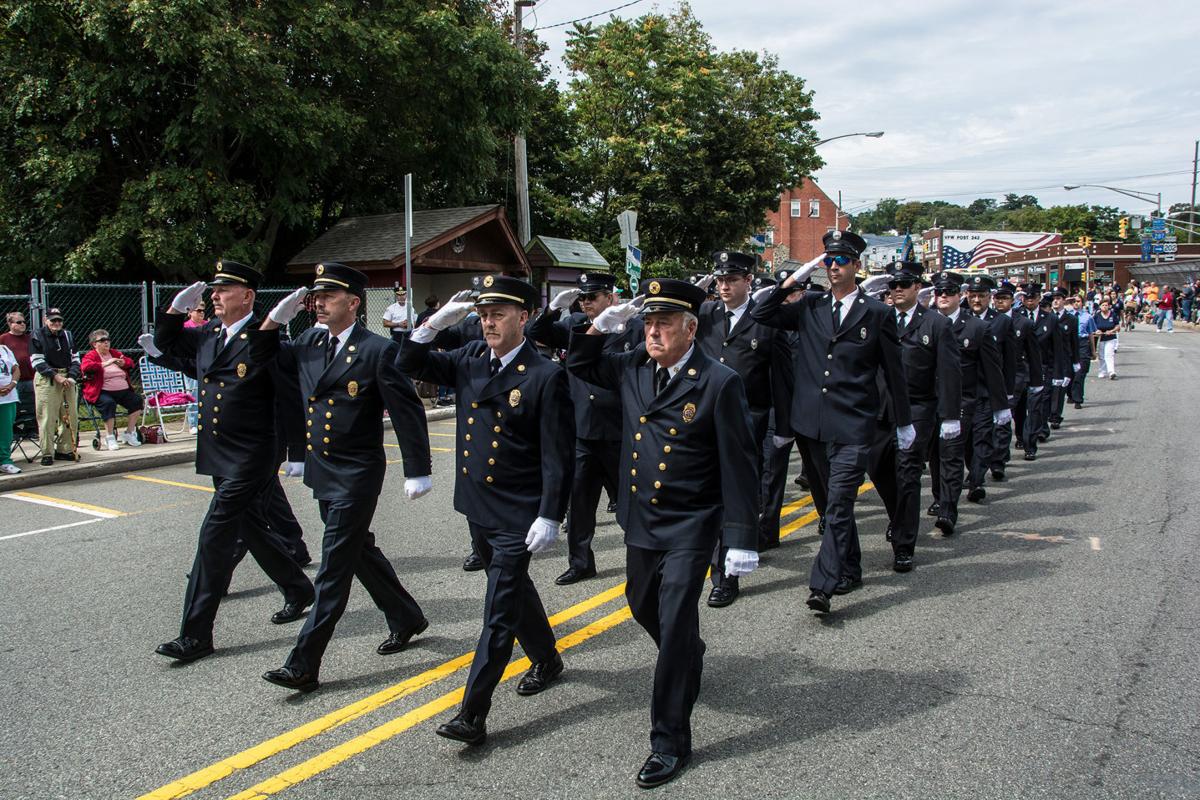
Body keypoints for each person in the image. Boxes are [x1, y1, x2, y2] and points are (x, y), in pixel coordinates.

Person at [567, 277, 759, 788]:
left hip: (692, 522)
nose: (653, 332)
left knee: (674, 622)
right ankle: (689, 653)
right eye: (648, 323)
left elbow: (741, 463)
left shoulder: (718, 381)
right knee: (640, 604)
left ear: (690, 328)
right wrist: (598, 325)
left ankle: (669, 740)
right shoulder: (633, 367)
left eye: (664, 323)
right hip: (641, 518)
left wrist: (740, 537)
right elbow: (580, 364)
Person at [399, 275, 573, 748]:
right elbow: (407, 362)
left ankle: (472, 713)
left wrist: (550, 514)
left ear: (525, 317)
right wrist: (431, 325)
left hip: (518, 511)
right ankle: (547, 657)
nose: (488, 321)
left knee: (497, 609)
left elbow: (558, 455)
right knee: (511, 590)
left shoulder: (544, 375)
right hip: (477, 504)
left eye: (499, 313)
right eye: (483, 314)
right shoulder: (471, 358)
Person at [259, 263, 433, 692]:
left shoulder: (376, 350)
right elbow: (264, 362)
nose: (318, 303)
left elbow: (407, 411)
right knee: (357, 552)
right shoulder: (309, 342)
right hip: (324, 468)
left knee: (333, 567)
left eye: (329, 296)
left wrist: (418, 469)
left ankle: (303, 664)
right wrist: (271, 322)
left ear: (353, 303)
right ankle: (406, 616)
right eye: (316, 297)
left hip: (357, 472)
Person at [152, 260, 315, 665]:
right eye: (213, 290)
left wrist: (296, 452)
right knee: (251, 528)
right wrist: (173, 311)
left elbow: (290, 397)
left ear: (247, 296)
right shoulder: (208, 334)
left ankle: (195, 635)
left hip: (252, 453)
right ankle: (297, 588)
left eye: (223, 290)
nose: (214, 296)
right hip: (217, 451)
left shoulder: (265, 339)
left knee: (214, 534)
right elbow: (168, 344)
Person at [750, 231, 915, 613]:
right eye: (827, 260)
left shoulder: (877, 313)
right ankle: (851, 567)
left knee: (839, 505)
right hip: (811, 426)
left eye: (841, 260)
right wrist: (789, 281)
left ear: (857, 265)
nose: (834, 266)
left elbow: (893, 372)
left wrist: (903, 422)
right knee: (829, 507)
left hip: (854, 425)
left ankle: (822, 584)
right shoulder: (809, 306)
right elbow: (761, 313)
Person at [527, 272, 642, 586]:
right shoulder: (574, 327)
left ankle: (645, 559)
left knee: (633, 503)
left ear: (610, 296)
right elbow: (533, 331)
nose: (586, 303)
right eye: (582, 298)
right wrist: (552, 308)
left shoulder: (632, 327)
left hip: (621, 430)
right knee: (579, 503)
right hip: (582, 430)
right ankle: (580, 562)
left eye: (593, 297)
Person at [694, 250, 780, 608]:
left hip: (752, 419)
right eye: (720, 279)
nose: (724, 285)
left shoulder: (765, 320)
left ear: (748, 281)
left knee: (738, 494)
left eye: (732, 279)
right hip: (706, 417)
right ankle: (715, 559)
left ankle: (725, 575)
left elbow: (780, 376)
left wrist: (784, 426)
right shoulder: (705, 316)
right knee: (711, 493)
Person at [872, 261, 960, 570]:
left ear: (916, 288)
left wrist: (950, 417)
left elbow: (948, 373)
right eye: (893, 285)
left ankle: (903, 543)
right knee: (880, 471)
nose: (897, 289)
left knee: (908, 474)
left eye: (904, 284)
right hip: (880, 409)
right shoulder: (879, 318)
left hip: (918, 408)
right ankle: (898, 518)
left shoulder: (936, 324)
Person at [925, 272, 1006, 533]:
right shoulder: (925, 324)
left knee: (951, 455)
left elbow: (992, 370)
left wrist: (1001, 406)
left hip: (961, 401)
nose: (943, 297)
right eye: (939, 293)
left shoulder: (977, 328)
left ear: (960, 295)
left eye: (949, 292)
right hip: (929, 401)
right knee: (935, 455)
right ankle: (939, 497)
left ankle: (948, 509)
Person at [993, 283, 1042, 473]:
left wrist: (1037, 381)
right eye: (998, 299)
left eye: (1004, 299)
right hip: (996, 374)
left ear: (1012, 301)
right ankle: (1001, 455)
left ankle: (1026, 442)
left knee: (1016, 414)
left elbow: (1033, 354)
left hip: (1018, 374)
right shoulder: (990, 321)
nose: (1000, 302)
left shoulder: (1024, 323)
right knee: (1003, 417)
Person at [29, 307, 81, 466]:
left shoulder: (68, 335)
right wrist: (56, 376)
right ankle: (47, 453)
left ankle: (64, 450)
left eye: (59, 320)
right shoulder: (37, 335)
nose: (57, 323)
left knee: (70, 416)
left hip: (67, 378)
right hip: (47, 379)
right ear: (46, 320)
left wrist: (71, 376)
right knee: (47, 418)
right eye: (53, 320)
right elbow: (37, 361)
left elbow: (76, 359)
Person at [80, 330, 144, 450]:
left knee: (136, 401)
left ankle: (129, 433)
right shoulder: (91, 355)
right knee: (109, 403)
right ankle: (109, 437)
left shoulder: (114, 353)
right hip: (102, 391)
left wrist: (123, 363)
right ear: (94, 344)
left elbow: (130, 362)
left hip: (122, 390)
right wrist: (106, 363)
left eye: (108, 340)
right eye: (102, 341)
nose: (106, 343)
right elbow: (86, 367)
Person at [0, 311, 36, 437]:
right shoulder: (3, 339)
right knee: (17, 407)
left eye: (24, 322)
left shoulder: (29, 338)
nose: (23, 324)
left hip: (30, 377)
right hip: (13, 380)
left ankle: (31, 429)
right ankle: (15, 430)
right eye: (19, 322)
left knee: (32, 405)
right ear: (10, 323)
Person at [1070, 296, 1097, 409]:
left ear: (1082, 303)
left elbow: (1091, 334)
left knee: (1080, 373)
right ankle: (1070, 393)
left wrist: (1093, 350)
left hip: (1082, 344)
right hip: (1069, 343)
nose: (1076, 303)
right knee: (1069, 372)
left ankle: (1078, 399)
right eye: (1074, 302)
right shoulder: (1067, 315)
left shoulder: (1087, 317)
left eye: (1078, 301)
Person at [0, 340, 21, 473]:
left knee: (5, 431)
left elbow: (16, 369)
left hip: (8, 397)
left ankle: (4, 461)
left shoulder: (5, 349)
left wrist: (11, 385)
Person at [1094, 299, 1120, 379]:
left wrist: (1112, 330)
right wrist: (1096, 331)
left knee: (1109, 355)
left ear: (1109, 306)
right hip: (1101, 338)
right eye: (1103, 305)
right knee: (1101, 356)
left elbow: (1118, 326)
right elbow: (1093, 326)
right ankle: (1102, 371)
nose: (1105, 307)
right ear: (1100, 307)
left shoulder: (1113, 314)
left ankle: (1111, 372)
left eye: (1106, 305)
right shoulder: (1097, 316)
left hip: (1111, 337)